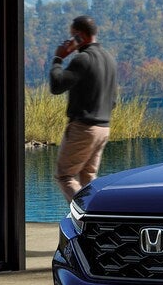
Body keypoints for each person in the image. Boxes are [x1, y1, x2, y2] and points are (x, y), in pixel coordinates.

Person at [49, 15, 117, 201]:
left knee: (65, 176)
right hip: (103, 129)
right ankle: (94, 219)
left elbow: (57, 86)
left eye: (73, 36)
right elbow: (113, 101)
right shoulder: (109, 59)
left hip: (84, 128)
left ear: (80, 35)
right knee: (88, 178)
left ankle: (85, 216)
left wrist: (58, 58)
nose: (71, 41)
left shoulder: (83, 59)